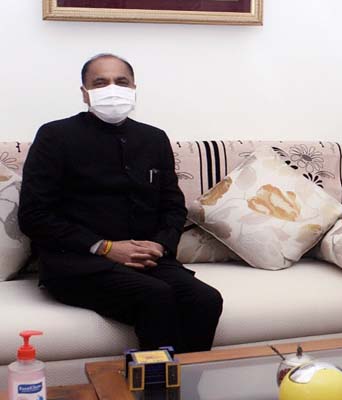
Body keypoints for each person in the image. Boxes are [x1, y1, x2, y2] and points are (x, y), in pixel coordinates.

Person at [19, 54, 223, 353]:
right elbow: (34, 215)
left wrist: (160, 245)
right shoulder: (55, 136)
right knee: (155, 296)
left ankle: (186, 378)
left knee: (205, 299)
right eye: (100, 83)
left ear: (134, 89)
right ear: (85, 93)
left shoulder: (154, 139)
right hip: (79, 264)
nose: (112, 89)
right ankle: (158, 381)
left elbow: (173, 206)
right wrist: (106, 248)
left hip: (147, 260)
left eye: (121, 82)